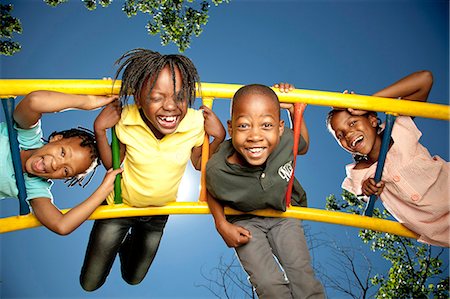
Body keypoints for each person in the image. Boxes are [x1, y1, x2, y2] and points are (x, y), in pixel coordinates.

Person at [79, 48, 226, 291]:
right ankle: (119, 237)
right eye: (157, 97)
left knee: (133, 278)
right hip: (118, 207)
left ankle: (127, 243)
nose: (170, 107)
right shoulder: (125, 118)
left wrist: (218, 138)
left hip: (157, 214)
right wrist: (99, 129)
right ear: (138, 98)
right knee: (90, 283)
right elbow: (111, 164)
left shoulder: (194, 122)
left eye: (180, 97)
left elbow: (200, 163)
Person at [206, 83, 325, 298]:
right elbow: (212, 189)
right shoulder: (219, 167)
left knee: (302, 276)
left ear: (280, 128)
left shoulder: (285, 139)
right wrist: (221, 224)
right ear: (231, 128)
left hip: (283, 216)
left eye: (266, 125)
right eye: (244, 126)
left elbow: (303, 145)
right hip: (244, 221)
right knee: (267, 284)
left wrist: (294, 111)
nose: (255, 136)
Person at [326, 70, 449, 247]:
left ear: (373, 120)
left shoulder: (398, 128)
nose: (348, 134)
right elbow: (364, 192)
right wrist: (367, 188)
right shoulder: (360, 172)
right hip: (439, 231)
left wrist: (369, 102)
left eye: (353, 122)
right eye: (340, 135)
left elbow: (424, 79)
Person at [0, 90, 122, 235]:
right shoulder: (25, 136)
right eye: (62, 153)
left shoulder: (33, 187)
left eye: (65, 171)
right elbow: (34, 101)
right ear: (56, 138)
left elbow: (62, 225)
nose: (55, 165)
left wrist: (103, 190)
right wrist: (87, 102)